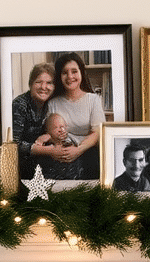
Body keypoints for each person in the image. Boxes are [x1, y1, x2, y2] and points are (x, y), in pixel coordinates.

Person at [44, 52, 105, 180]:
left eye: (74, 71)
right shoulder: (52, 103)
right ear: (59, 76)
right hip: (61, 153)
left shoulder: (93, 100)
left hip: (87, 153)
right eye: (64, 72)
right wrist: (60, 150)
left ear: (81, 73)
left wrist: (78, 150)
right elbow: (49, 133)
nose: (70, 76)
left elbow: (97, 133)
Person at [11, 62, 56, 178]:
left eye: (49, 83)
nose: (44, 87)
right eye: (39, 82)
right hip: (18, 169)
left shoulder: (49, 105)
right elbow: (14, 145)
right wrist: (47, 150)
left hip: (39, 166)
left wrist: (49, 136)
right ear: (31, 84)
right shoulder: (20, 105)